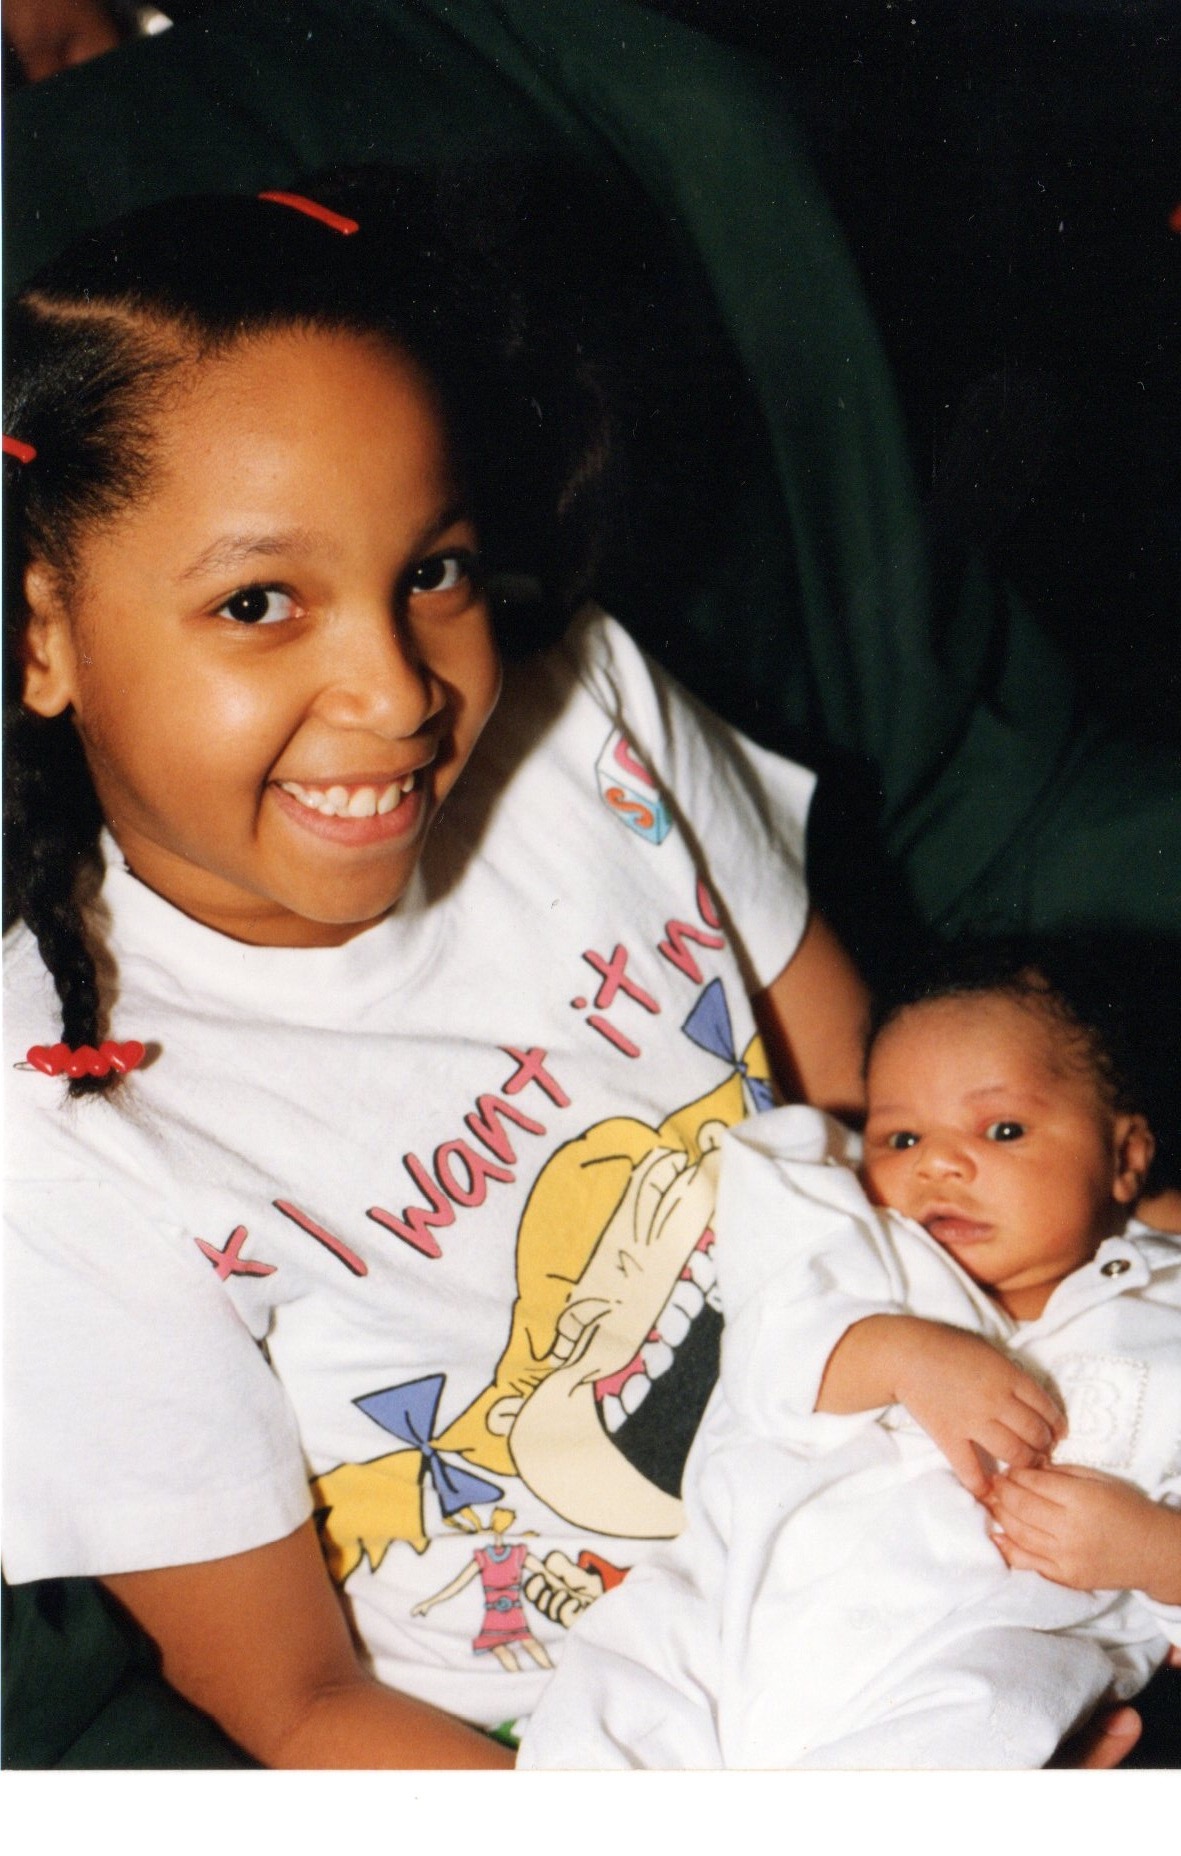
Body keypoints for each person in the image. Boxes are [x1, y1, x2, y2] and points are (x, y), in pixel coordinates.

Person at [1, 169, 870, 1767]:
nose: (398, 692)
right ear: (40, 634)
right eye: (259, 603)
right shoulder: (49, 1137)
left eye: (434, 570)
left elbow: (879, 1128)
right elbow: (297, 1699)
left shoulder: (586, 714)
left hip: (923, 1493)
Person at [519, 946, 1181, 1767]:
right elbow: (765, 1360)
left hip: (969, 1659)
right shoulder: (856, 1249)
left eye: (1002, 1129)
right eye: (900, 1137)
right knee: (608, 1694)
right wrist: (899, 1356)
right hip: (734, 1619)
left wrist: (1151, 1550)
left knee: (999, 1709)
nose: (935, 1162)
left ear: (1124, 1157)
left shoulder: (1163, 1321)